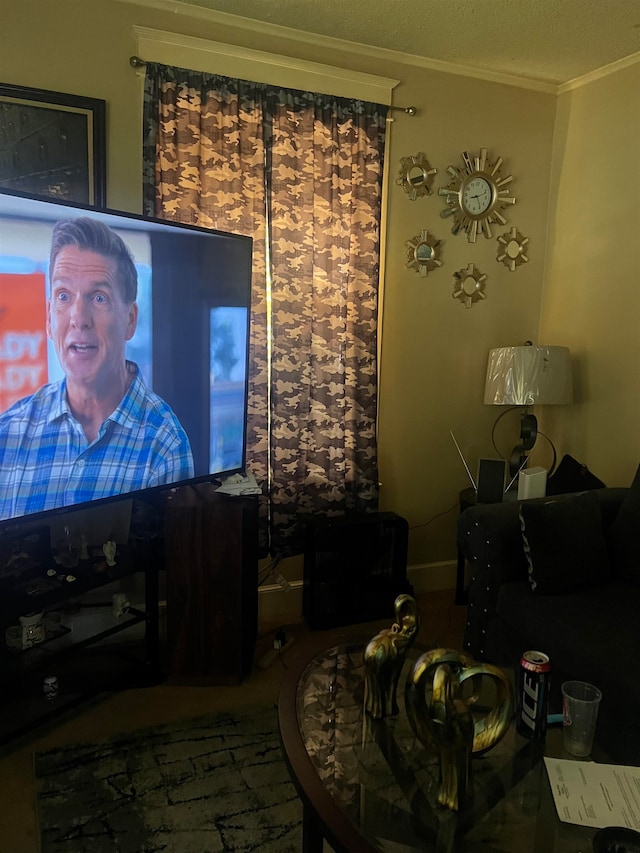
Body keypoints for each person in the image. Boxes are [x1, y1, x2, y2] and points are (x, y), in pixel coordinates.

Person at [0, 217, 194, 521]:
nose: (79, 318)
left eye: (98, 297)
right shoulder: (7, 434)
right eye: (64, 296)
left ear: (130, 319)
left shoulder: (164, 444)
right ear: (50, 318)